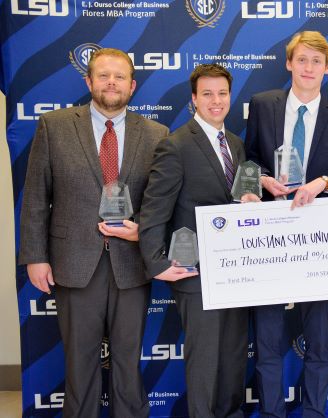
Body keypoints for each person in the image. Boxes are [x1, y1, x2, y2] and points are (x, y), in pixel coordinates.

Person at [19, 48, 169, 417]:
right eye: (103, 75)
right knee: (79, 362)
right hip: (73, 261)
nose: (111, 83)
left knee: (128, 362)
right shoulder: (53, 126)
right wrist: (35, 257)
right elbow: (37, 196)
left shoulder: (155, 133)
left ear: (132, 86)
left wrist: (145, 234)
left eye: (119, 77)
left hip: (131, 264)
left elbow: (160, 203)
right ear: (88, 81)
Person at [244, 31, 328, 417]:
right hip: (269, 242)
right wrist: (262, 180)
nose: (308, 68)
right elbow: (246, 162)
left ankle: (313, 411)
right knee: (267, 339)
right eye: (302, 59)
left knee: (319, 342)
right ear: (289, 63)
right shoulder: (263, 105)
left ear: (327, 69)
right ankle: (272, 412)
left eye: (316, 61)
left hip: (319, 242)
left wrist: (323, 183)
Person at [139, 64, 249, 418]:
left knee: (232, 356)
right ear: (193, 99)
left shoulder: (234, 143)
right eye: (207, 94)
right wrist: (156, 262)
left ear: (230, 97)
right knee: (204, 361)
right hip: (195, 273)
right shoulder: (176, 145)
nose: (216, 101)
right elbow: (155, 210)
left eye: (222, 93)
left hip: (235, 271)